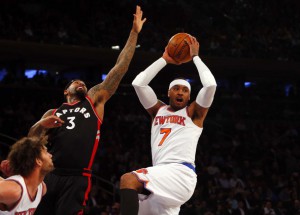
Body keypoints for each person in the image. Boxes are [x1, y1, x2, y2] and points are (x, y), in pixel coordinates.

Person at [7, 5, 145, 215]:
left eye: (83, 82)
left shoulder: (94, 101)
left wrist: (134, 33)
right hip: (49, 175)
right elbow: (31, 141)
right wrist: (40, 124)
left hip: (78, 177)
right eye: (74, 82)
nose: (80, 82)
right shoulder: (53, 112)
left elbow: (120, 68)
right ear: (65, 92)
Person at [120, 36, 217, 215]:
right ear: (169, 92)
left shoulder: (193, 113)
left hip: (180, 173)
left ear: (189, 97)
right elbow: (138, 83)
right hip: (162, 177)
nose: (180, 92)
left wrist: (195, 56)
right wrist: (164, 59)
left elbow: (210, 85)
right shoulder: (157, 110)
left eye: (185, 90)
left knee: (128, 180)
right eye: (176, 88)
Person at [0, 137, 53, 215]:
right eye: (46, 152)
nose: (50, 155)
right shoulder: (14, 189)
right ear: (38, 161)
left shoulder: (41, 189)